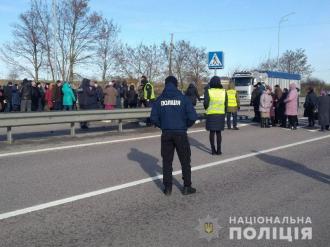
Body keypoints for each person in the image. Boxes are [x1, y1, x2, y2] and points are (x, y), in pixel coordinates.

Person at [150, 75, 198, 196]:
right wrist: (184, 125)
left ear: (166, 85)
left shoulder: (160, 100)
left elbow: (153, 118)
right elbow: (193, 117)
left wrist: (163, 126)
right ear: (176, 85)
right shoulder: (183, 98)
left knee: (167, 162)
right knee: (185, 161)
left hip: (166, 133)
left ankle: (167, 188)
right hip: (181, 133)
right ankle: (187, 187)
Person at [204, 76, 226, 155]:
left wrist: (206, 108)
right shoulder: (223, 91)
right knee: (219, 133)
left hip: (211, 114)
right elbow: (225, 103)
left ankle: (213, 150)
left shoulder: (209, 91)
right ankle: (219, 150)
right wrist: (224, 112)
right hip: (220, 114)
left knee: (212, 132)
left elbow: (206, 103)